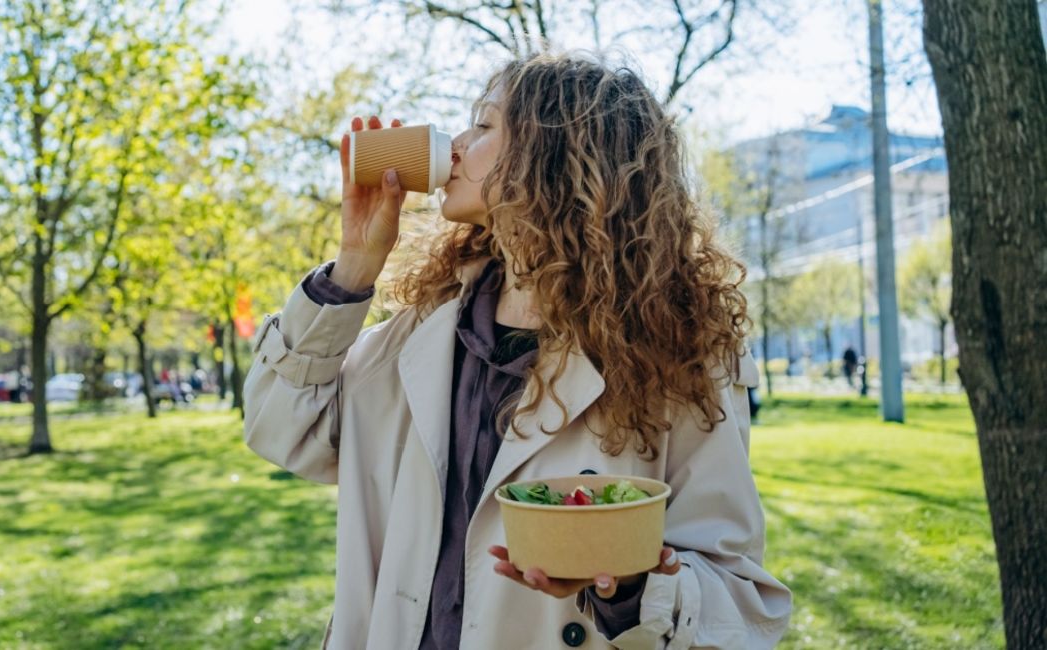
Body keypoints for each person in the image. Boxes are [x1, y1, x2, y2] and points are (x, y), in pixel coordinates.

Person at [244, 52, 791, 649]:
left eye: (483, 126)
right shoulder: (423, 331)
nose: (453, 146)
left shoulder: (678, 356)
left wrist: (631, 586)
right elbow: (281, 429)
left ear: (556, 155)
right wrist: (354, 265)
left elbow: (738, 601)